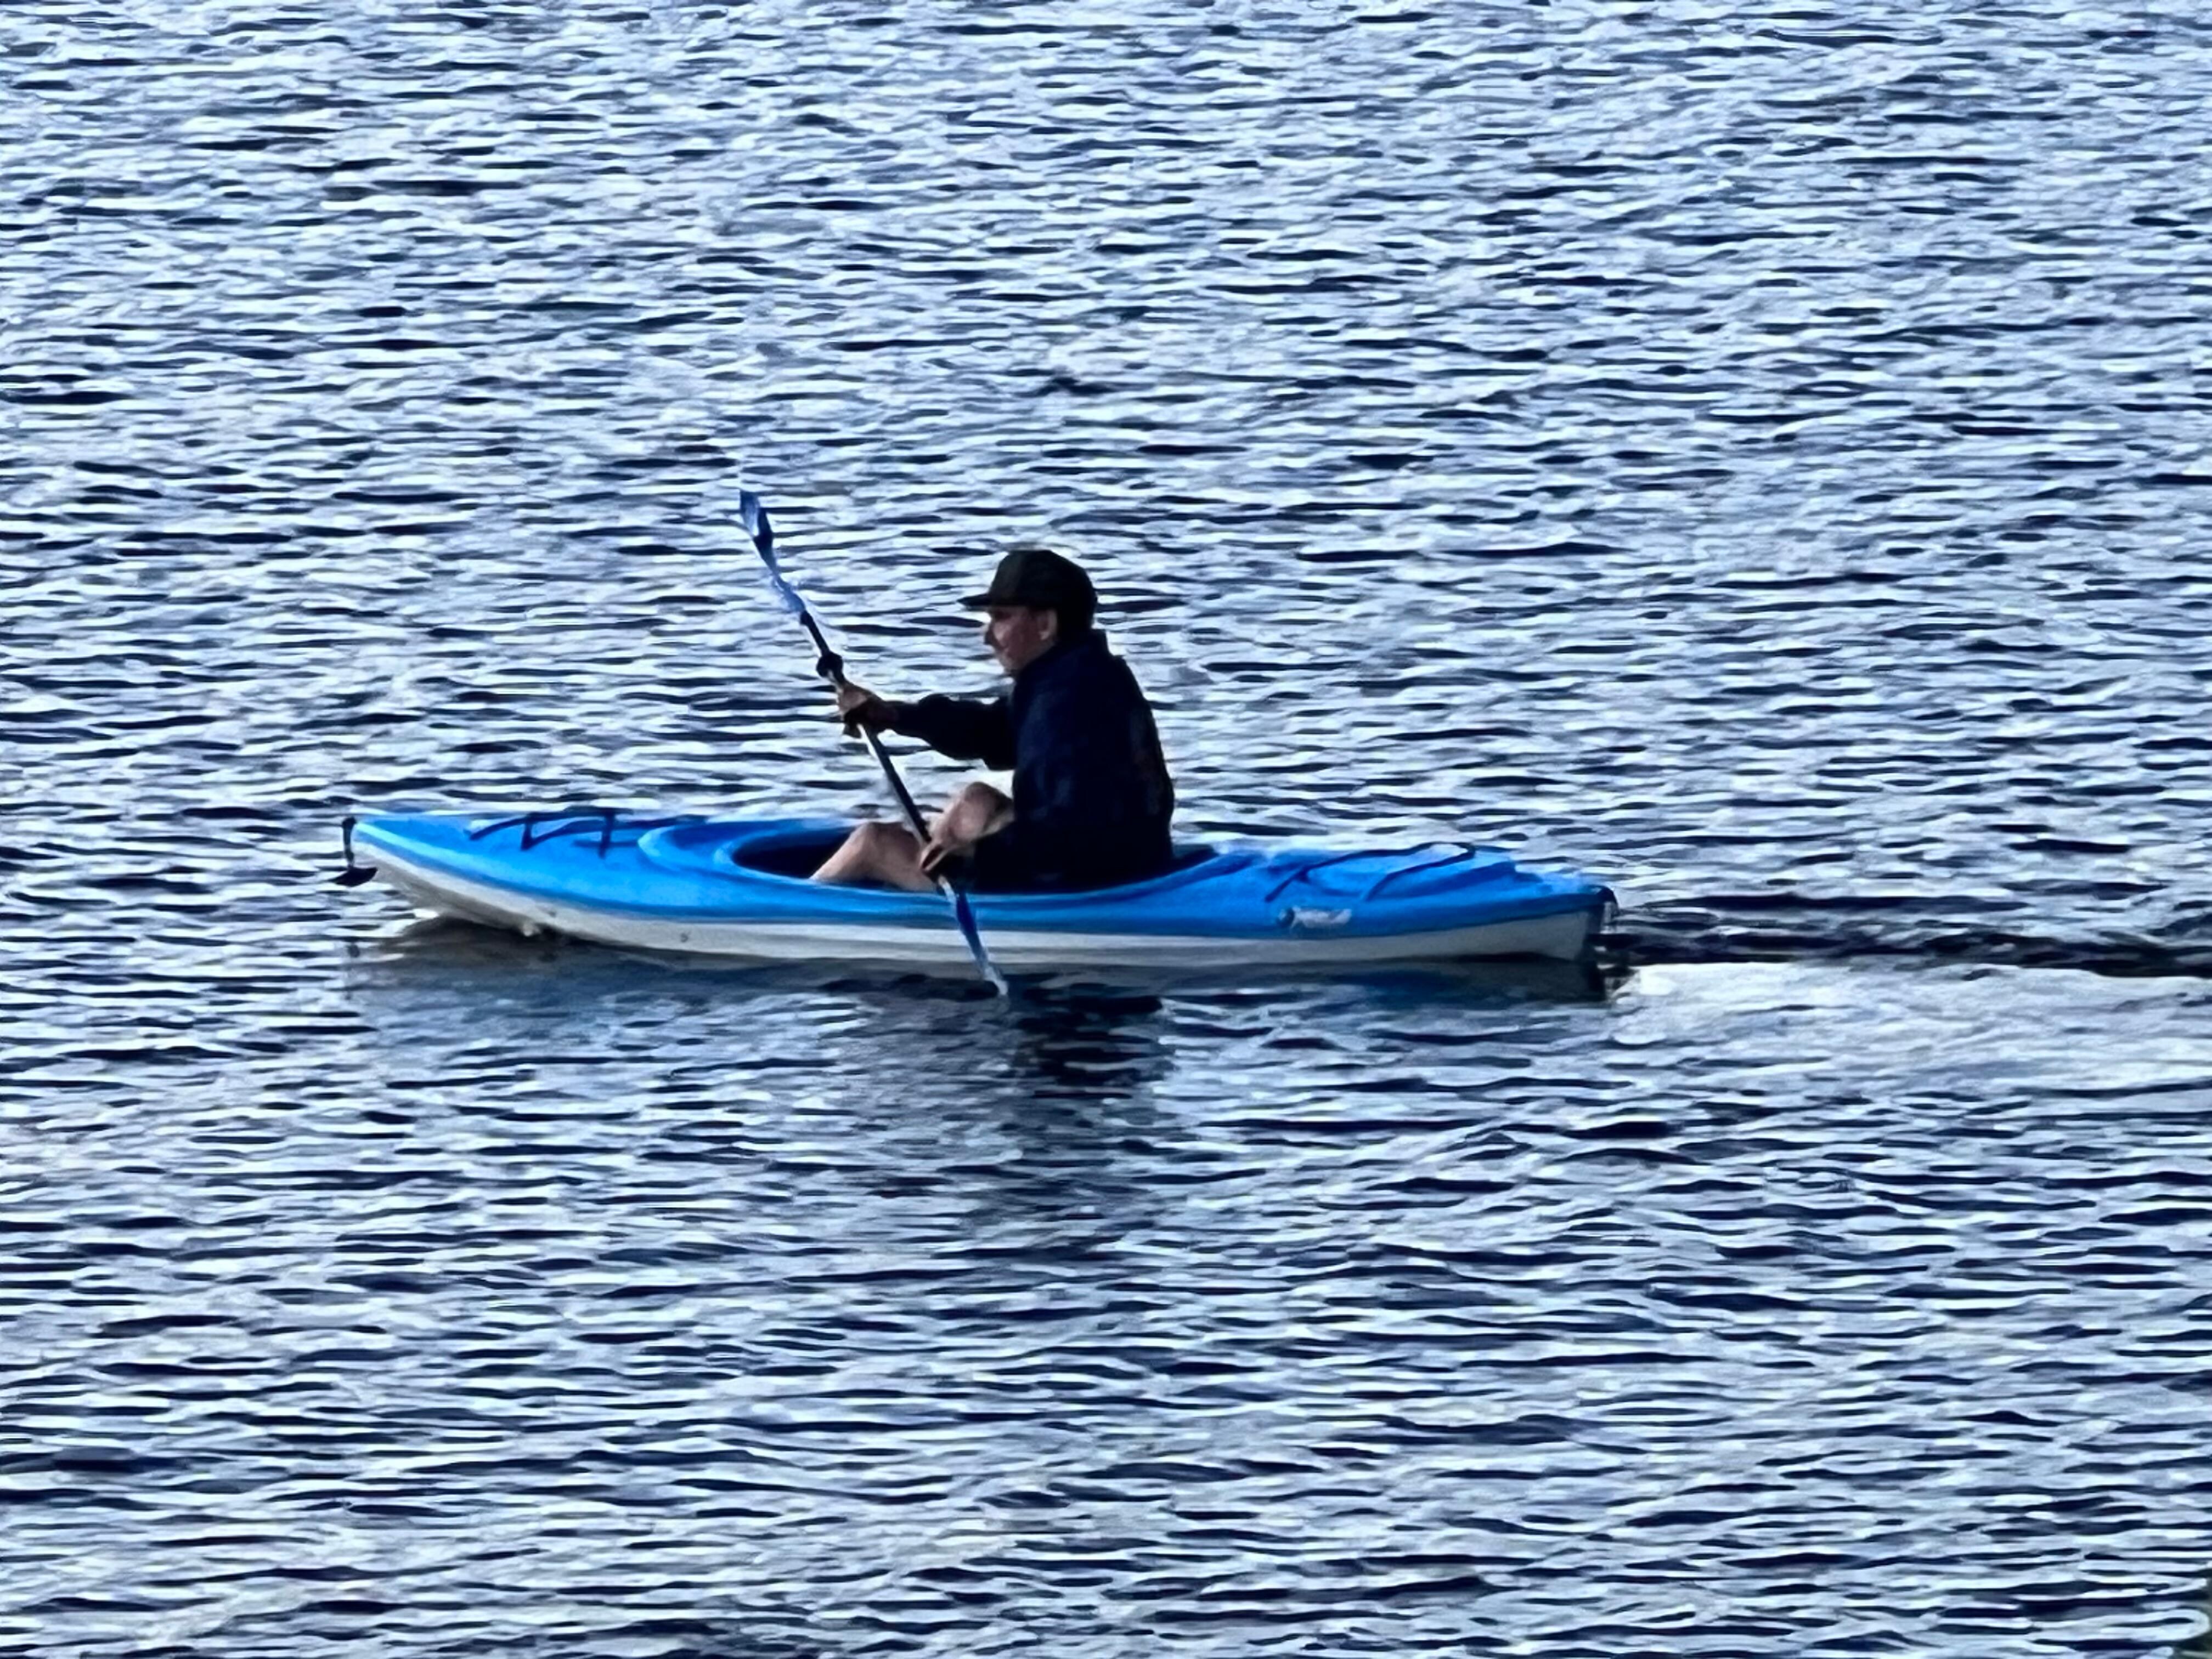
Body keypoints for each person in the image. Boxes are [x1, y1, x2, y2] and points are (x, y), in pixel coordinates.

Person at [812, 546, 1175, 893]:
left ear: (1045, 623)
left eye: (1001, 618)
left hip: (1088, 882)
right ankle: (917, 883)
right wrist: (895, 715)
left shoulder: (1066, 707)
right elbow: (991, 731)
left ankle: (797, 915)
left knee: (872, 843)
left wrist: (979, 854)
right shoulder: (1077, 678)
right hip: (1128, 862)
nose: (988, 637)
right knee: (975, 801)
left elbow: (1076, 830)